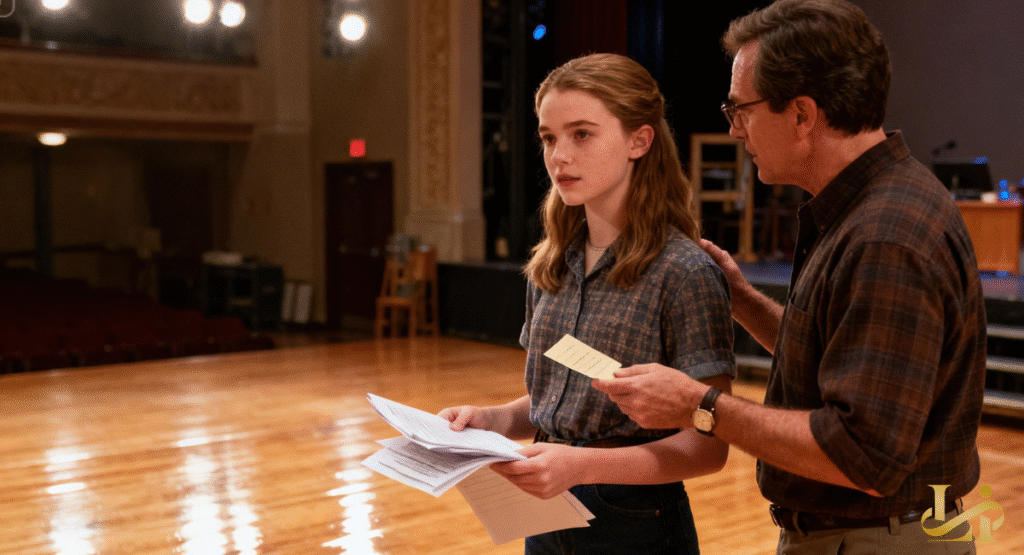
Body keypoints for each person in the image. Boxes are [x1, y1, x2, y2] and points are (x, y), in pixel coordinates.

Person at [594, 1, 987, 553]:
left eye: (741, 110)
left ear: (802, 115)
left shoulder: (884, 235)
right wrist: (744, 301)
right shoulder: (862, 208)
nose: (734, 130)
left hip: (878, 540)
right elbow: (842, 363)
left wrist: (698, 407)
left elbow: (862, 456)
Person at [439, 52, 735, 555]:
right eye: (549, 137)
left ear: (639, 140)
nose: (559, 156)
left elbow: (707, 446)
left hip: (635, 518)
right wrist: (493, 420)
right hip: (545, 507)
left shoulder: (683, 272)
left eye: (582, 134)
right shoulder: (549, 266)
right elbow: (564, 400)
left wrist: (580, 466)